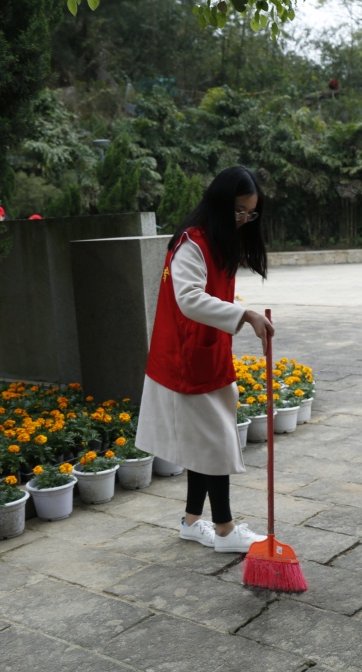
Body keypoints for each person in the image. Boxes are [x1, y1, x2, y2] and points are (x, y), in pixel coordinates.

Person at [136, 166, 272, 553]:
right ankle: (225, 530)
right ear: (219, 204)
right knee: (215, 442)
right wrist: (244, 315)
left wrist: (239, 314)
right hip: (186, 359)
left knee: (202, 441)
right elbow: (189, 299)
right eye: (239, 211)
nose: (244, 220)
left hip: (205, 352)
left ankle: (193, 522)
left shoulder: (217, 241)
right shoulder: (191, 243)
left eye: (250, 213)